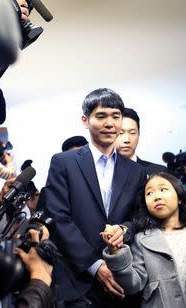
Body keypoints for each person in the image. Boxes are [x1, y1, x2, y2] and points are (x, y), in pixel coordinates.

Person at [43, 88, 146, 307]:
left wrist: (125, 230)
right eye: (101, 116)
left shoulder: (135, 171)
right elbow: (58, 217)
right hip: (75, 280)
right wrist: (95, 264)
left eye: (116, 116)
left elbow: (139, 217)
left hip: (121, 277)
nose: (110, 123)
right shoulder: (64, 162)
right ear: (85, 120)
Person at [101, 172, 186, 308]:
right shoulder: (142, 240)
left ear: (180, 198)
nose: (156, 196)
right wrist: (116, 252)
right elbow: (132, 285)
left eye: (163, 189)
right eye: (149, 193)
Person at [115, 108, 168, 175]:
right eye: (120, 133)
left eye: (132, 133)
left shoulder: (158, 172)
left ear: (138, 134)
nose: (127, 140)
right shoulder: (99, 173)